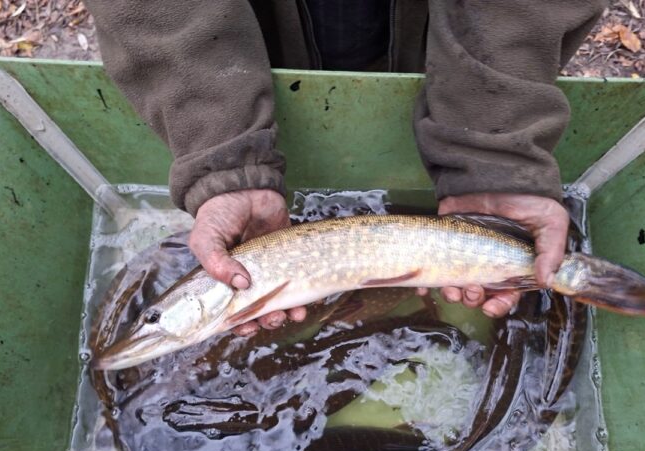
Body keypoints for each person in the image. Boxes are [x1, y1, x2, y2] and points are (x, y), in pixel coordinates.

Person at [85, 0, 606, 335]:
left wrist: (493, 150)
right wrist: (227, 159)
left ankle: (564, 272)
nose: (153, 325)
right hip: (244, 38)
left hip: (439, 36)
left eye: (156, 320)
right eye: (154, 318)